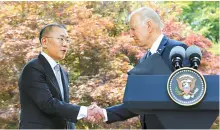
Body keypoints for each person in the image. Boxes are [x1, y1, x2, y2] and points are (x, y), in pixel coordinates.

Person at [86, 7, 189, 129]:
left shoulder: (177, 50)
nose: (131, 34)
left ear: (149, 26)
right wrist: (105, 113)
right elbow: (141, 102)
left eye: (133, 29)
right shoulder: (144, 58)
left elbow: (185, 95)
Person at [18, 23, 104, 129]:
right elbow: (47, 104)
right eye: (61, 39)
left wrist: (83, 114)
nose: (65, 44)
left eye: (67, 40)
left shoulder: (63, 73)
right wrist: (85, 111)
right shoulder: (33, 68)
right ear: (44, 42)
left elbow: (62, 107)